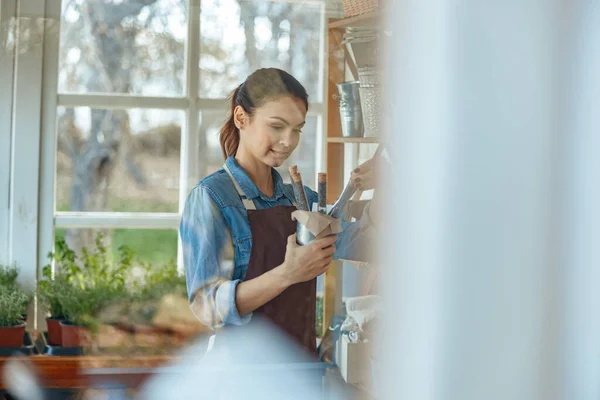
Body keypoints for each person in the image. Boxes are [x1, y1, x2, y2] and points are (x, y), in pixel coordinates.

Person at [180, 68, 378, 355]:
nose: (289, 141)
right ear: (241, 118)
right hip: (242, 376)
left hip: (301, 369)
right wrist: (287, 274)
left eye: (297, 129)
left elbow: (365, 245)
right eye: (277, 126)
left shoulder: (300, 200)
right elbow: (205, 306)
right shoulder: (211, 198)